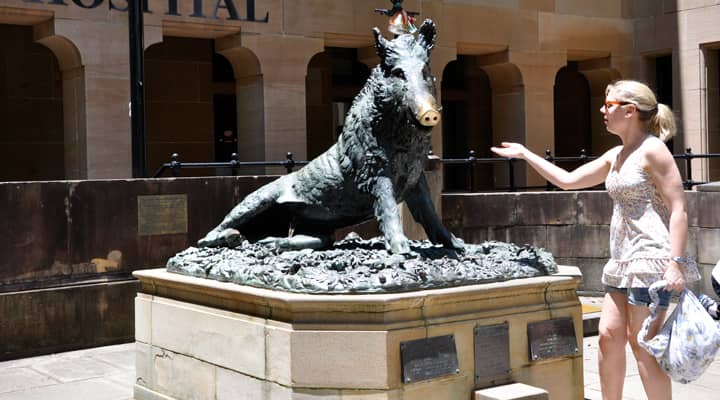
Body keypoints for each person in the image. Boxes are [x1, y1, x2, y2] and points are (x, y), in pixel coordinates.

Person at [491, 79, 701, 400]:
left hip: (650, 262)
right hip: (621, 262)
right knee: (607, 336)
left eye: (609, 105)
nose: (603, 110)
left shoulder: (653, 150)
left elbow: (679, 209)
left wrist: (675, 263)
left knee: (642, 344)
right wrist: (525, 154)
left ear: (630, 111)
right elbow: (568, 180)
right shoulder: (617, 154)